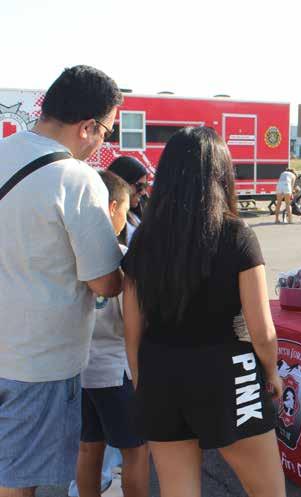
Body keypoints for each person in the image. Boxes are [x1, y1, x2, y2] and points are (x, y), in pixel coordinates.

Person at [123, 127, 286, 497]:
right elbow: (261, 329)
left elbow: (132, 327)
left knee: (177, 489)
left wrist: (140, 378)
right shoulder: (236, 235)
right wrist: (271, 371)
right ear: (222, 174)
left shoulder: (144, 240)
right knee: (268, 491)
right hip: (227, 370)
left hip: (160, 371)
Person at [0, 65, 123, 497]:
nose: (102, 142)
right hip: (37, 363)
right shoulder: (77, 179)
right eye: (106, 132)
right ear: (87, 126)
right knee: (19, 484)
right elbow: (105, 282)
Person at [74, 171, 149, 497]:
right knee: (136, 451)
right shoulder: (120, 257)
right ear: (113, 207)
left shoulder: (70, 252)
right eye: (125, 210)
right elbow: (133, 325)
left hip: (79, 369)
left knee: (89, 447)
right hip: (116, 370)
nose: (125, 219)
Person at [108, 156, 148, 243]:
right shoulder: (105, 219)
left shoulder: (140, 214)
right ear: (121, 182)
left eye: (145, 186)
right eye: (139, 186)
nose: (143, 192)